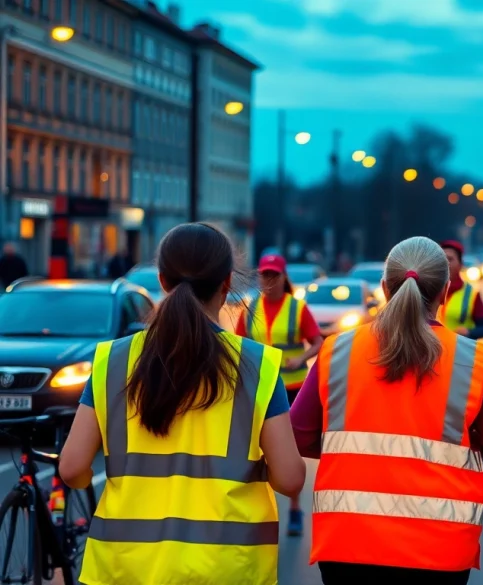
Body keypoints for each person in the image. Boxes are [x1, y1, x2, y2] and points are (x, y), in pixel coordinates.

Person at [58, 223, 306, 584]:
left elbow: (72, 469)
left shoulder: (112, 361)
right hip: (228, 569)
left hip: (123, 568)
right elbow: (290, 479)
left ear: (162, 281)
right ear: (226, 283)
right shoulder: (258, 365)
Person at [290, 236, 483, 585]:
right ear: (445, 292)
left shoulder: (337, 351)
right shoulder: (471, 361)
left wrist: (349, 450)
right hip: (439, 550)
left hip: (347, 543)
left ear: (385, 288)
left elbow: (298, 435)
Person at [236, 253, 324, 536]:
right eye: (265, 275)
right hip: (259, 387)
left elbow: (318, 342)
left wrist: (301, 359)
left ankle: (295, 509)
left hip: (291, 387)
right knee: (254, 448)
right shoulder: (251, 308)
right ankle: (257, 505)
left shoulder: (297, 308)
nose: (269, 280)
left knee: (290, 451)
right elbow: (238, 345)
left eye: (274, 275)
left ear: (284, 277)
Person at [438, 240, 483, 339]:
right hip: (433, 347)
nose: (445, 263)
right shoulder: (429, 289)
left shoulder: (471, 294)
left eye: (450, 259)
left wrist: (469, 332)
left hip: (458, 347)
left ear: (460, 264)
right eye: (442, 259)